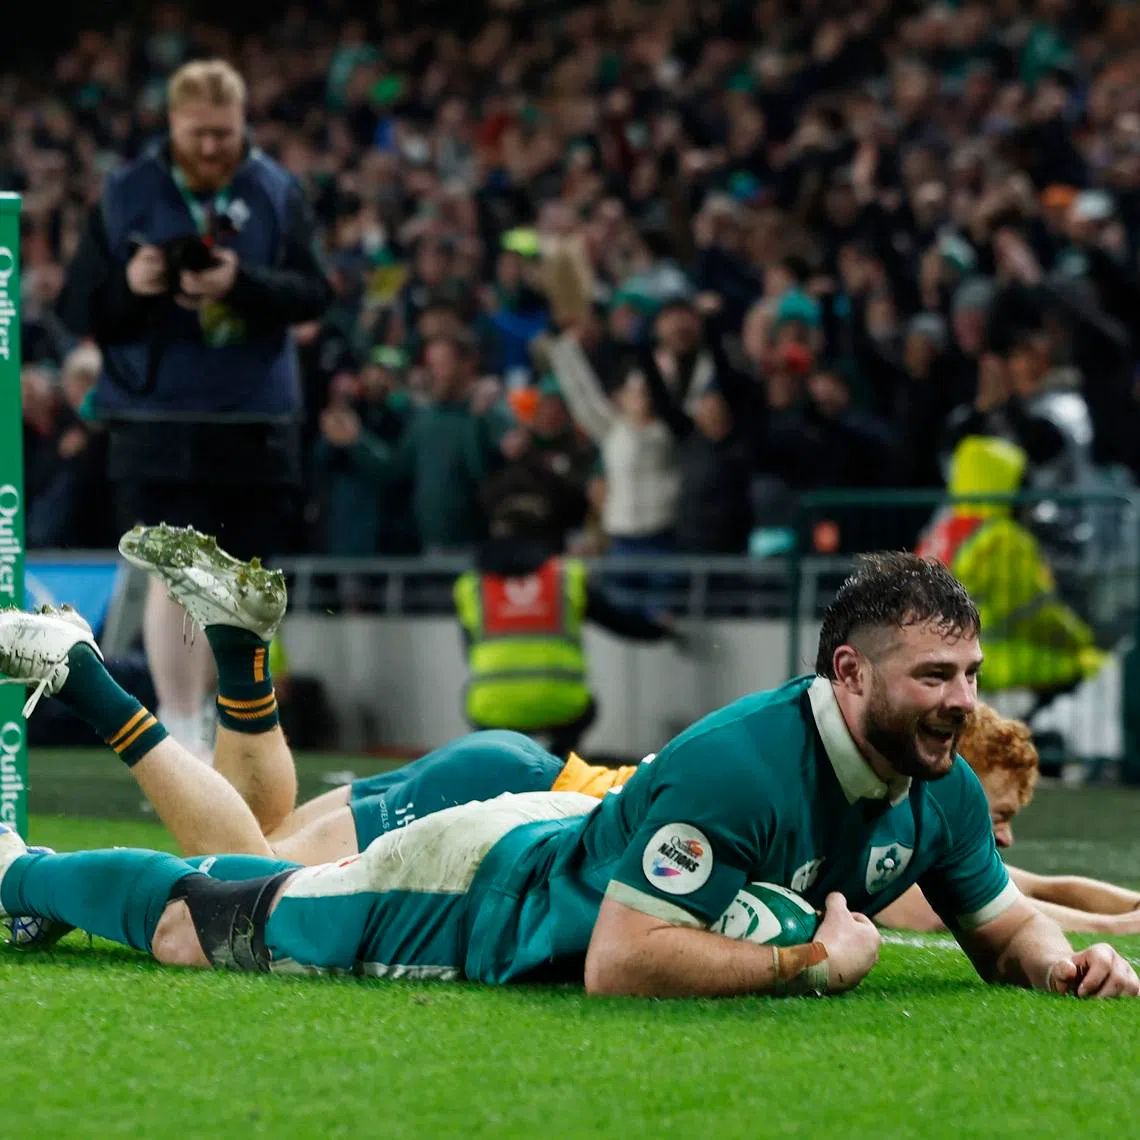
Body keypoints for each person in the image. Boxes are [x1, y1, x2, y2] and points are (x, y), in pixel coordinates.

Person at [0, 551, 1135, 998]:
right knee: (208, 915)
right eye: (935, 675)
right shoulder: (743, 763)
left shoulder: (936, 784)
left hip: (555, 803)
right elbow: (620, 962)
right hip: (484, 883)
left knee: (266, 835)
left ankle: (196, 673)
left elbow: (1001, 922)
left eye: (970, 676)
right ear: (849, 676)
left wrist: (1061, 965)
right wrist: (806, 964)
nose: (961, 701)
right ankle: (22, 867)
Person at [56, 58, 333, 759]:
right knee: (173, 572)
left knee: (238, 580)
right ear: (172, 124)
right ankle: (181, 728)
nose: (212, 148)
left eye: (225, 134)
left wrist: (242, 284)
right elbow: (78, 308)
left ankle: (223, 726)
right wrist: (130, 283)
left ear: (243, 127)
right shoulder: (128, 193)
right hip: (155, 417)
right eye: (199, 134)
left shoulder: (274, 189)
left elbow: (313, 292)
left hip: (254, 418)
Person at [877, 704, 1140, 935]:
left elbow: (1040, 887)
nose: (1006, 838)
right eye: (1000, 816)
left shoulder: (925, 836)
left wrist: (1134, 905)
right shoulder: (885, 830)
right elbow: (947, 911)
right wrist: (1116, 927)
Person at [453, 500, 681, 756]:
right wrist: (659, 629)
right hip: (562, 706)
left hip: (493, 708)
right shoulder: (566, 576)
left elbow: (469, 651)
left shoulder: (472, 586)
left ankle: (497, 763)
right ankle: (562, 764)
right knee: (584, 709)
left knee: (474, 699)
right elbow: (618, 621)